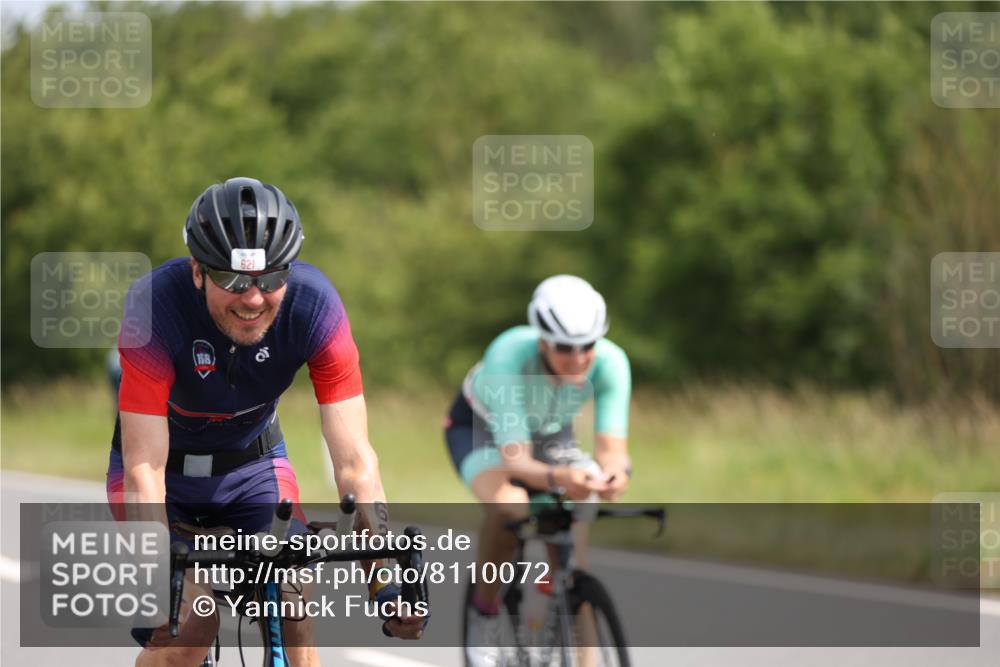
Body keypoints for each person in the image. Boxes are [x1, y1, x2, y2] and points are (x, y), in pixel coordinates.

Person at [106, 177, 424, 667]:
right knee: (192, 624)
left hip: (252, 472)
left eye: (271, 278)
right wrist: (153, 569)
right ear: (197, 270)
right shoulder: (154, 306)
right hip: (162, 478)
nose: (253, 299)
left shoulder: (316, 306)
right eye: (233, 280)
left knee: (293, 599)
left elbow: (357, 463)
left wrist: (383, 574)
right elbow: (144, 469)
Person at [444, 274, 632, 666]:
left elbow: (613, 450)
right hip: (483, 433)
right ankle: (486, 611)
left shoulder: (613, 362)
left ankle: (558, 604)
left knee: (572, 551)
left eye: (587, 346)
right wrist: (563, 478)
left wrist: (614, 475)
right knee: (512, 506)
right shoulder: (509, 353)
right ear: (542, 339)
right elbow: (515, 461)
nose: (579, 358)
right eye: (565, 347)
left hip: (548, 437)